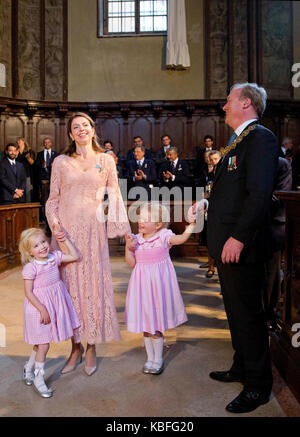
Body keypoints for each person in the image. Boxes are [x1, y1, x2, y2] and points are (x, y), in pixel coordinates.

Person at [207, 83, 279, 413]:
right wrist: (207, 204)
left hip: (242, 245)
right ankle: (241, 366)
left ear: (246, 103)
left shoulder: (260, 138)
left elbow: (259, 194)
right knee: (235, 311)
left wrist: (238, 237)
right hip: (227, 244)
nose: (224, 106)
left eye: (229, 101)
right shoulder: (239, 142)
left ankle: (258, 385)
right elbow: (233, 194)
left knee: (249, 315)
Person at [46, 112, 130, 376]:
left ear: (93, 130)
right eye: (75, 127)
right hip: (65, 233)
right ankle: (75, 347)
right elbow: (52, 199)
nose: (81, 130)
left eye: (85, 125)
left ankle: (91, 346)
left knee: (92, 287)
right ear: (70, 134)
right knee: (69, 289)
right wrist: (54, 224)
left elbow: (114, 194)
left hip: (93, 233)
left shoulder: (105, 160)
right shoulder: (60, 161)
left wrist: (124, 232)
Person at [124, 202, 194, 375]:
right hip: (141, 287)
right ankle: (150, 358)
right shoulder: (136, 239)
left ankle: (158, 359)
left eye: (147, 219)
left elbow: (180, 239)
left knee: (155, 326)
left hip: (158, 287)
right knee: (146, 327)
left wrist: (191, 225)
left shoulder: (163, 236)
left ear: (158, 224)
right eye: (140, 219)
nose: (141, 222)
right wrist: (128, 248)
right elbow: (132, 263)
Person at [19, 227, 80, 398]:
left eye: (43, 242)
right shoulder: (31, 268)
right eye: (36, 246)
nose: (42, 247)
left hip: (55, 304)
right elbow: (28, 292)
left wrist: (64, 239)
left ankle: (28, 367)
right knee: (44, 344)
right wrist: (42, 308)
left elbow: (75, 256)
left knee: (40, 343)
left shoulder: (54, 258)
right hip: (38, 308)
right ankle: (39, 378)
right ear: (29, 252)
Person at [262, 157, 292, 327]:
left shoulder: (281, 163)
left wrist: (256, 201)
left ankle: (270, 313)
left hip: (274, 224)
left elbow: (279, 196)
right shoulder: (256, 160)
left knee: (271, 273)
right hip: (257, 225)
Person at [36, 138, 59, 225]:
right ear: (43, 144)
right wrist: (42, 165)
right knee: (45, 200)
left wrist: (55, 165)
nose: (46, 144)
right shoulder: (40, 154)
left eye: (48, 142)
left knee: (54, 199)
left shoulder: (56, 154)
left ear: (51, 143)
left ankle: (54, 217)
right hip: (44, 181)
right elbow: (36, 166)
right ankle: (45, 219)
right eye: (45, 142)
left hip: (54, 181)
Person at [16, 137, 37, 203]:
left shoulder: (29, 151)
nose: (18, 141)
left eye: (20, 140)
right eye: (18, 140)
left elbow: (32, 163)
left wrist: (28, 158)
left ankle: (28, 209)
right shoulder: (16, 151)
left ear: (24, 141)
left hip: (27, 174)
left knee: (28, 192)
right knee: (20, 192)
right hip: (17, 175)